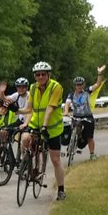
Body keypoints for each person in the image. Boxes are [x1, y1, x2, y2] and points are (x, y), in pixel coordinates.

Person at [24, 61, 66, 200]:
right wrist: (15, 109)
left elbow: (49, 108)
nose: (40, 77)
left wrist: (45, 127)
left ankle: (61, 189)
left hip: (52, 128)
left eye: (43, 74)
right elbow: (28, 109)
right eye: (37, 75)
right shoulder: (32, 87)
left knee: (55, 160)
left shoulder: (56, 87)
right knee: (25, 139)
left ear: (48, 75)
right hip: (36, 124)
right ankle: (29, 165)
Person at [63, 65, 106, 159]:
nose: (78, 86)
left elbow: (98, 84)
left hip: (87, 116)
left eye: (80, 84)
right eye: (77, 85)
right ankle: (72, 143)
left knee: (89, 136)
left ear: (83, 85)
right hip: (76, 117)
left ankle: (92, 154)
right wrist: (66, 111)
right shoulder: (71, 95)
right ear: (75, 86)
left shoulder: (87, 91)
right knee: (70, 130)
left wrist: (100, 73)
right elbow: (67, 103)